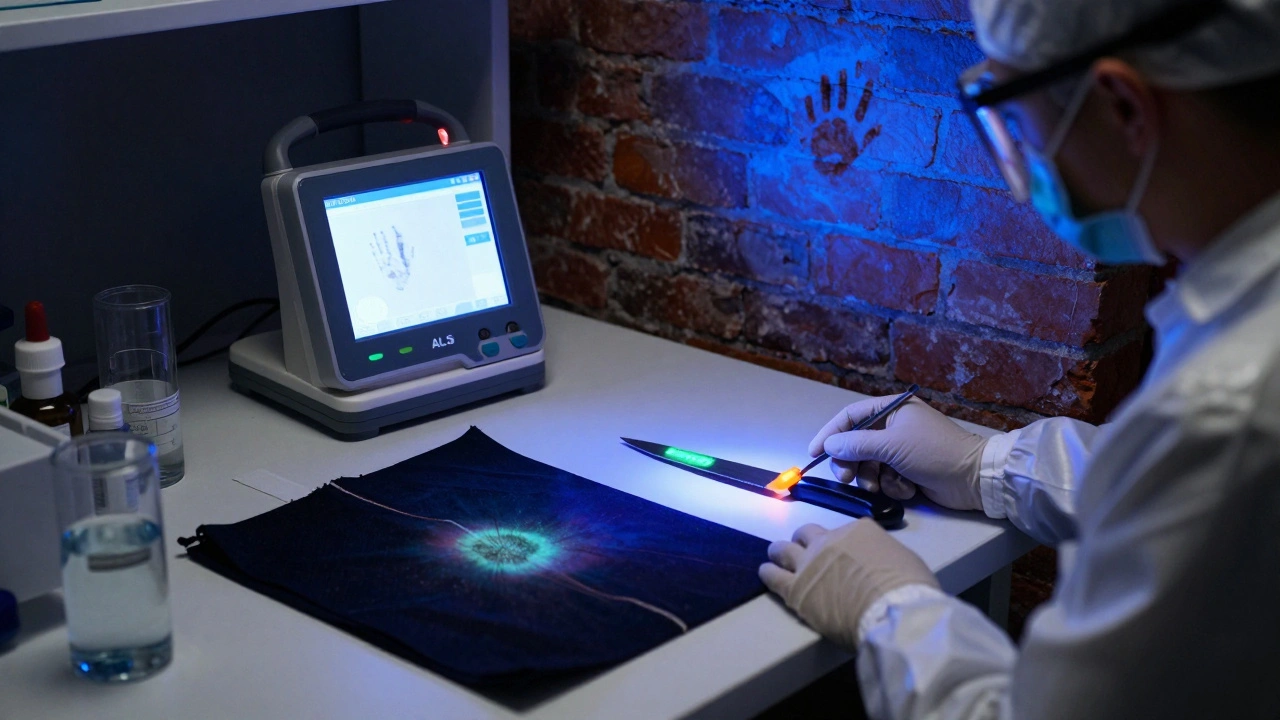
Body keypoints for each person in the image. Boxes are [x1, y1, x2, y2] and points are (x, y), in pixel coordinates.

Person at [757, 0, 1280, 717]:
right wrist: (984, 465)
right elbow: (1192, 510)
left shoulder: (1230, 407)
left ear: (1125, 106)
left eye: (1028, 128)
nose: (1028, 172)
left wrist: (892, 608)